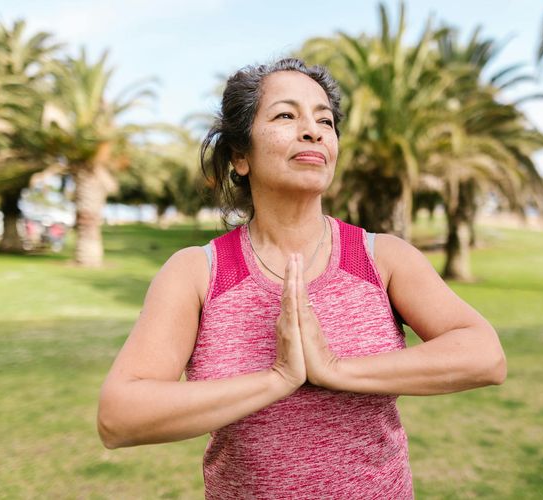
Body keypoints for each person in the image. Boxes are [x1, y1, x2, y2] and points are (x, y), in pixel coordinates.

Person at [97, 58, 506, 499]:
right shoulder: (197, 273)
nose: (312, 130)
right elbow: (119, 417)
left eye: (324, 120)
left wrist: (334, 369)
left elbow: (486, 356)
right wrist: (277, 378)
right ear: (240, 156)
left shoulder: (382, 259)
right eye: (286, 115)